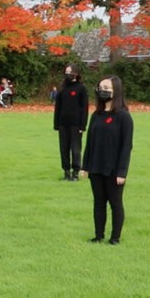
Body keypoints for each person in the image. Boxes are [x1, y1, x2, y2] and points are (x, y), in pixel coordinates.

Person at [81, 76, 133, 245]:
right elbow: (89, 142)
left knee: (115, 203)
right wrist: (85, 166)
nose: (102, 90)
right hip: (96, 167)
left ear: (115, 91)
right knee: (98, 203)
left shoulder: (124, 117)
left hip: (114, 170)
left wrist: (122, 172)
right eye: (100, 87)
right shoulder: (96, 115)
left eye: (107, 87)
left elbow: (127, 146)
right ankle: (98, 235)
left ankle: (115, 238)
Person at [53, 63, 88, 181]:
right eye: (66, 72)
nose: (68, 74)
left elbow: (84, 108)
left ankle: (76, 172)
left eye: (70, 72)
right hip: (63, 123)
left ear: (76, 73)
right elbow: (58, 107)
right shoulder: (62, 88)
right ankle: (66, 171)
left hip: (76, 124)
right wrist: (56, 124)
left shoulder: (81, 88)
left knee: (75, 149)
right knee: (64, 148)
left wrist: (82, 125)